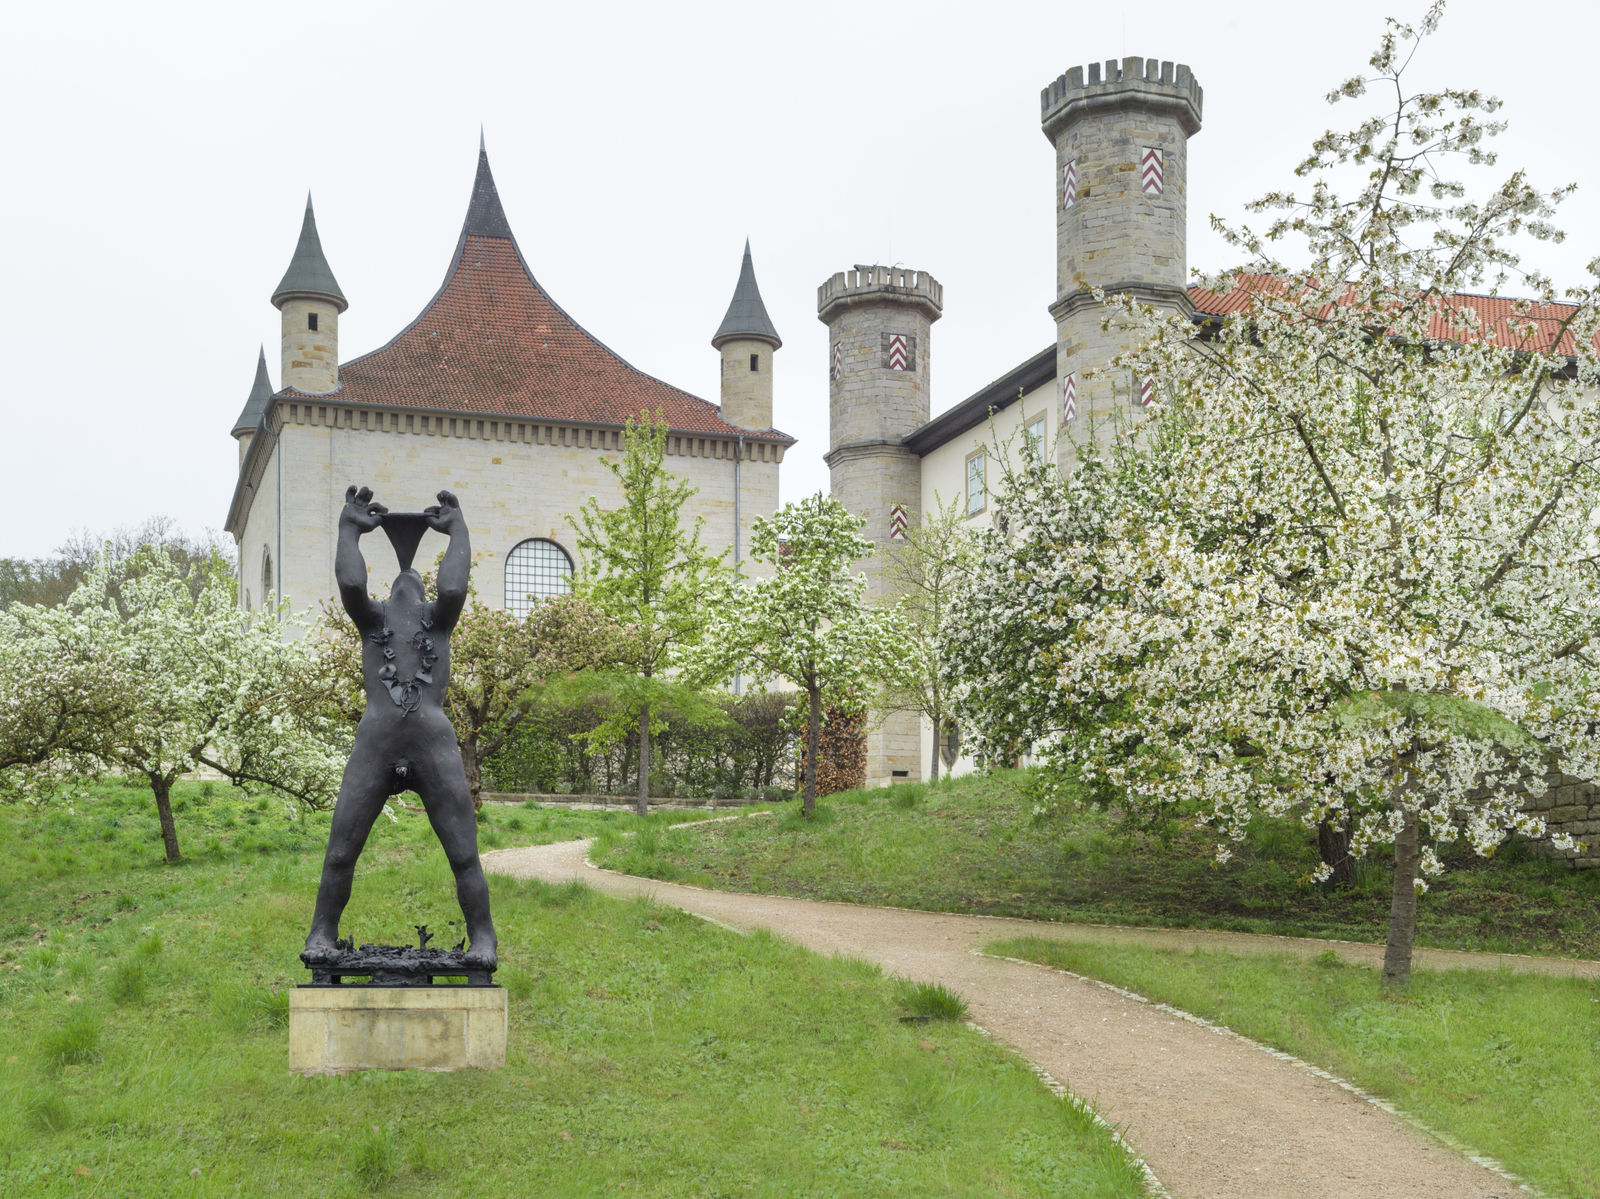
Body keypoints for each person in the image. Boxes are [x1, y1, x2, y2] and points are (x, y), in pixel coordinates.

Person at [302, 485, 497, 968]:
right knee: (340, 849)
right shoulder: (373, 623)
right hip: (377, 743)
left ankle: (483, 938)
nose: (406, 578)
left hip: (432, 742)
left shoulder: (437, 621)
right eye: (398, 579)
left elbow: (453, 587)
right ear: (389, 596)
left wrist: (458, 531)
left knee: (464, 854)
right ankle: (322, 932)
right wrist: (349, 528)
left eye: (416, 578)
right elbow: (350, 585)